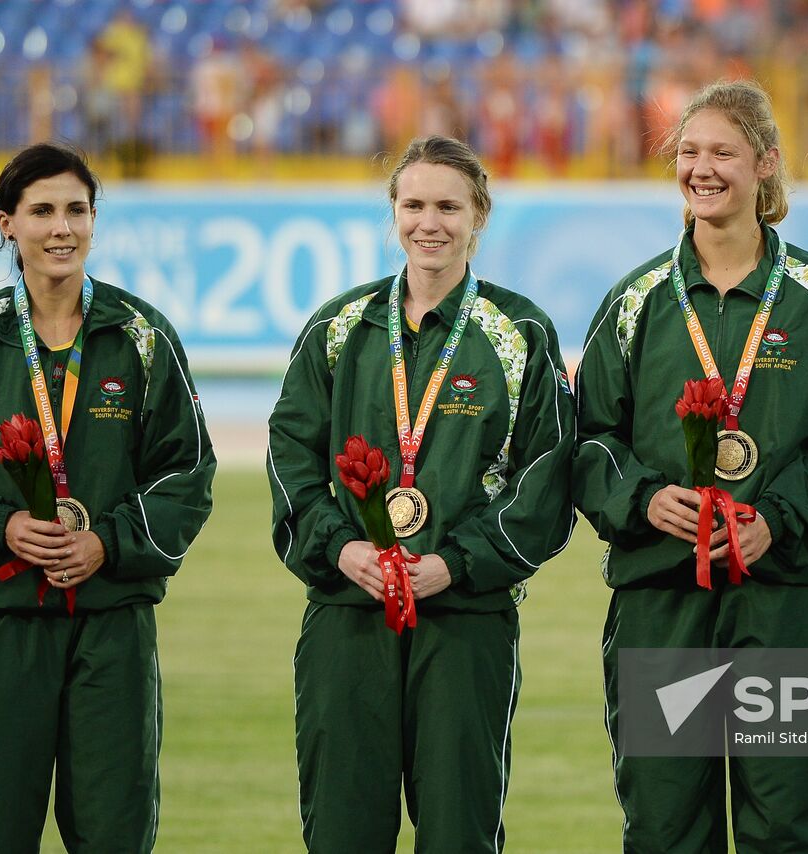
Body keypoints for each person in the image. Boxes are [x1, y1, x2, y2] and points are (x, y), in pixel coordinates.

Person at [573, 80, 808, 853]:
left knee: (786, 826)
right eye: (689, 152)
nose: (702, 168)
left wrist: (777, 523)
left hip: (783, 599)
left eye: (723, 152)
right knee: (664, 827)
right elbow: (585, 439)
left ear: (767, 164)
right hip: (661, 597)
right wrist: (644, 500)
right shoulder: (636, 300)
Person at [0, 142, 216, 851]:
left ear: (94, 220)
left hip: (112, 624)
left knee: (114, 833)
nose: (60, 228)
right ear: (7, 223)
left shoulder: (142, 338)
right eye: (41, 212)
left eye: (76, 210)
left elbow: (186, 473)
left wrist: (108, 542)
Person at [267, 134, 575, 852]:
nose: (428, 222)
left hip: (465, 620)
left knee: (459, 831)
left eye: (448, 205)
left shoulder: (519, 332)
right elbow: (291, 458)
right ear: (393, 213)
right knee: (342, 829)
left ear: (480, 216)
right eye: (413, 204)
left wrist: (456, 563)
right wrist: (340, 549)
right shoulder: (339, 330)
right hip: (349, 615)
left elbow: (548, 479)